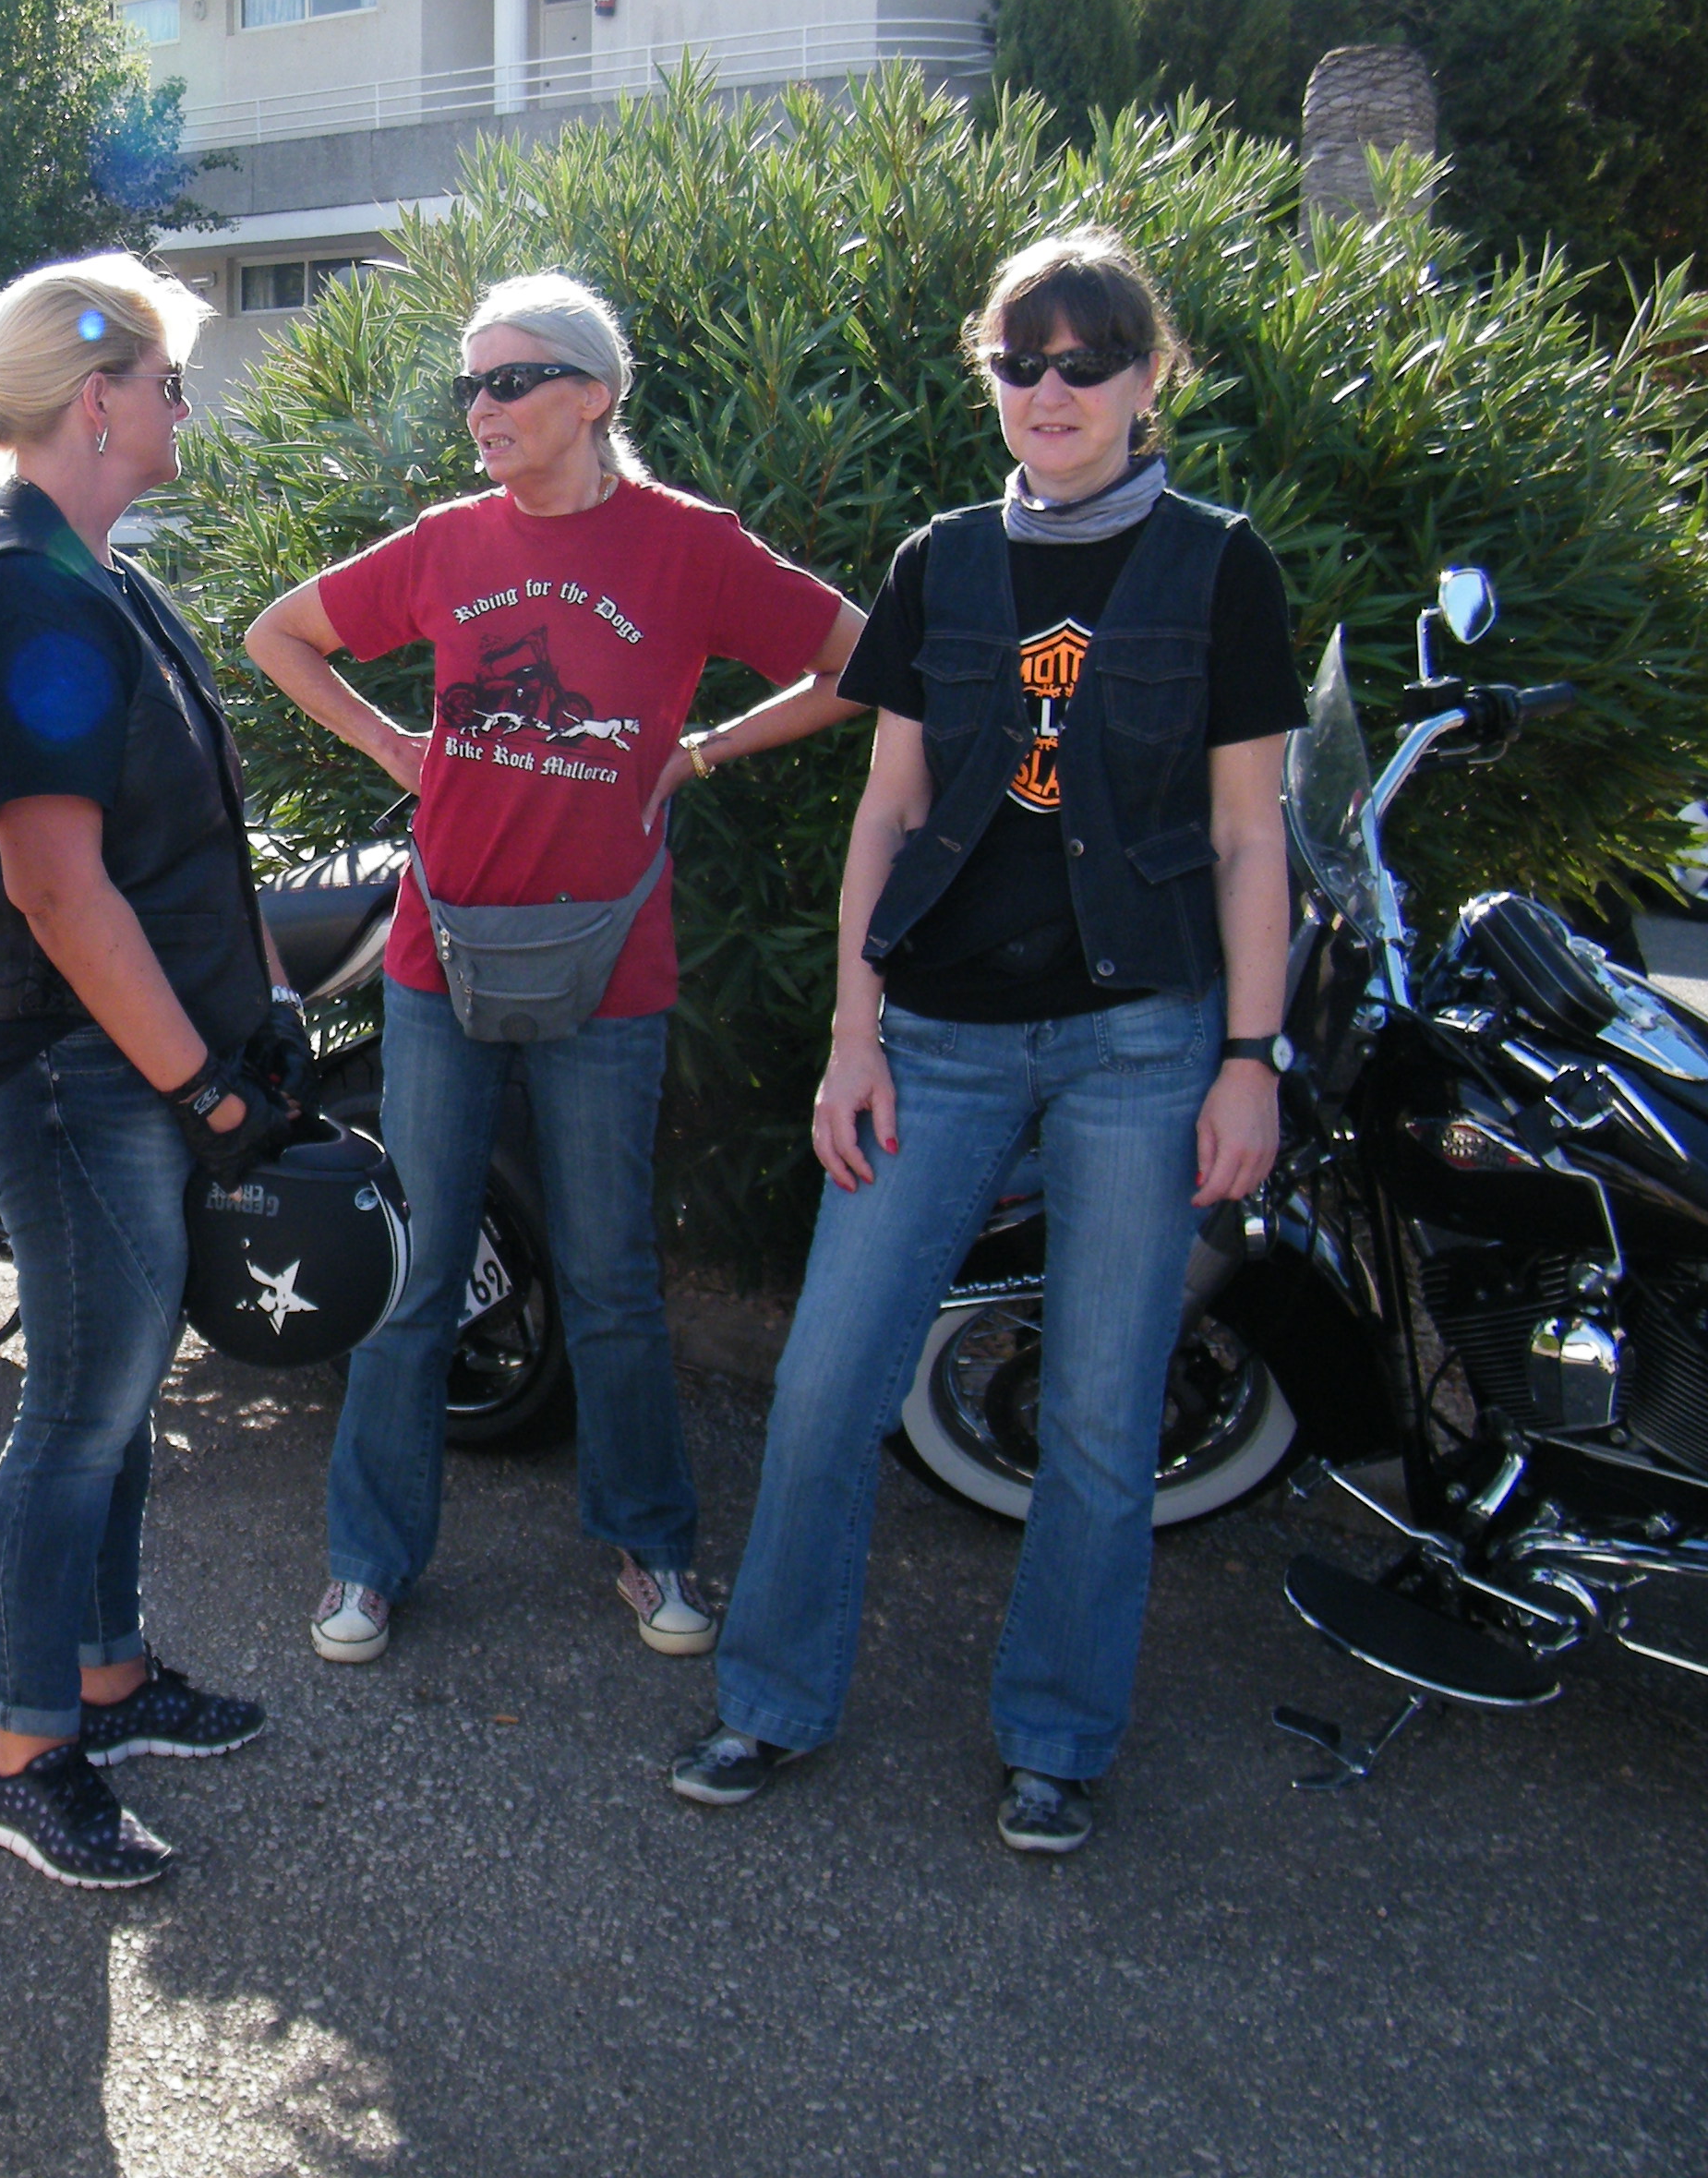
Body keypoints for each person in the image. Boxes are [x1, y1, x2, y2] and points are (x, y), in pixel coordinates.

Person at [669, 229, 1297, 1858]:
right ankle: (771, 1700)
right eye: (1022, 363)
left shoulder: (1220, 567)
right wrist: (853, 1033)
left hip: (1142, 1042)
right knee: (826, 1386)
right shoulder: (942, 562)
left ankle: (1058, 1739)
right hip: (936, 1037)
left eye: (1087, 362)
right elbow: (888, 809)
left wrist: (1251, 1057)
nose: (1051, 390)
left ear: (1148, 379)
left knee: (1099, 1415)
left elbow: (1251, 837)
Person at [247, 273, 862, 1667]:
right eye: (472, 383)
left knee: (610, 1275)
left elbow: (861, 663)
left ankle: (649, 1543)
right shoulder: (449, 542)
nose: (482, 406)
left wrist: (700, 753)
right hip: (443, 957)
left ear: (593, 395)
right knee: (415, 1270)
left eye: (512, 380)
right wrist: (396, 749)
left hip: (610, 967)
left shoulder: (688, 547)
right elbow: (279, 634)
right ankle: (369, 1561)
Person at [0, 253, 289, 1892]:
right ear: (96, 401)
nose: (183, 410)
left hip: (124, 1060)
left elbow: (178, 839)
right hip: (82, 1074)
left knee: (117, 1399)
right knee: (76, 1416)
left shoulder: (89, 571)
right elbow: (58, 884)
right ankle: (23, 1754)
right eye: (167, 382)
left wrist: (252, 1020)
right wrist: (203, 1086)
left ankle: (110, 1682)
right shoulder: (27, 590)